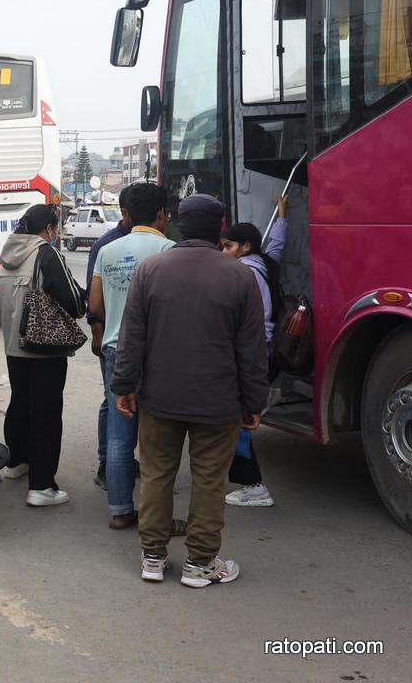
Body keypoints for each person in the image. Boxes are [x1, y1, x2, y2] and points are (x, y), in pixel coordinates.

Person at [112, 194, 268, 587]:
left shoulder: (151, 270)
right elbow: (251, 350)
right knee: (209, 481)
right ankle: (200, 563)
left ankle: (152, 557)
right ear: (220, 228)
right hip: (218, 402)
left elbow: (132, 338)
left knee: (156, 474)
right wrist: (254, 402)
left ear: (179, 223)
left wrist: (125, 386)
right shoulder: (239, 276)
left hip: (159, 398)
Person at [88, 183, 175, 529]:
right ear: (161, 215)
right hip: (157, 350)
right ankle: (157, 517)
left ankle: (120, 510)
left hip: (115, 349)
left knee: (119, 432)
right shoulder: (169, 249)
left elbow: (94, 305)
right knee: (158, 434)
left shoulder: (108, 250)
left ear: (126, 213)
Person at [0, 204, 86, 506]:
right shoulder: (46, 253)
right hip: (43, 348)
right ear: (49, 228)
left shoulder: (7, 254)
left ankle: (16, 462)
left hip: (14, 347)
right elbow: (73, 301)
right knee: (46, 413)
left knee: (20, 403)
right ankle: (42, 486)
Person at [220, 195, 288, 508]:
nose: (223, 251)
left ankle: (253, 485)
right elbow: (276, 244)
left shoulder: (242, 274)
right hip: (267, 353)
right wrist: (283, 215)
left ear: (246, 247)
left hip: (250, 357)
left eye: (228, 246)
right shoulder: (265, 264)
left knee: (239, 421)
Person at [86, 207, 131, 491]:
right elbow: (94, 299)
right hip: (113, 339)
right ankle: (106, 464)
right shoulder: (105, 245)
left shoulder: (158, 241)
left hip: (136, 342)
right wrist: (96, 332)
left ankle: (123, 462)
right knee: (112, 401)